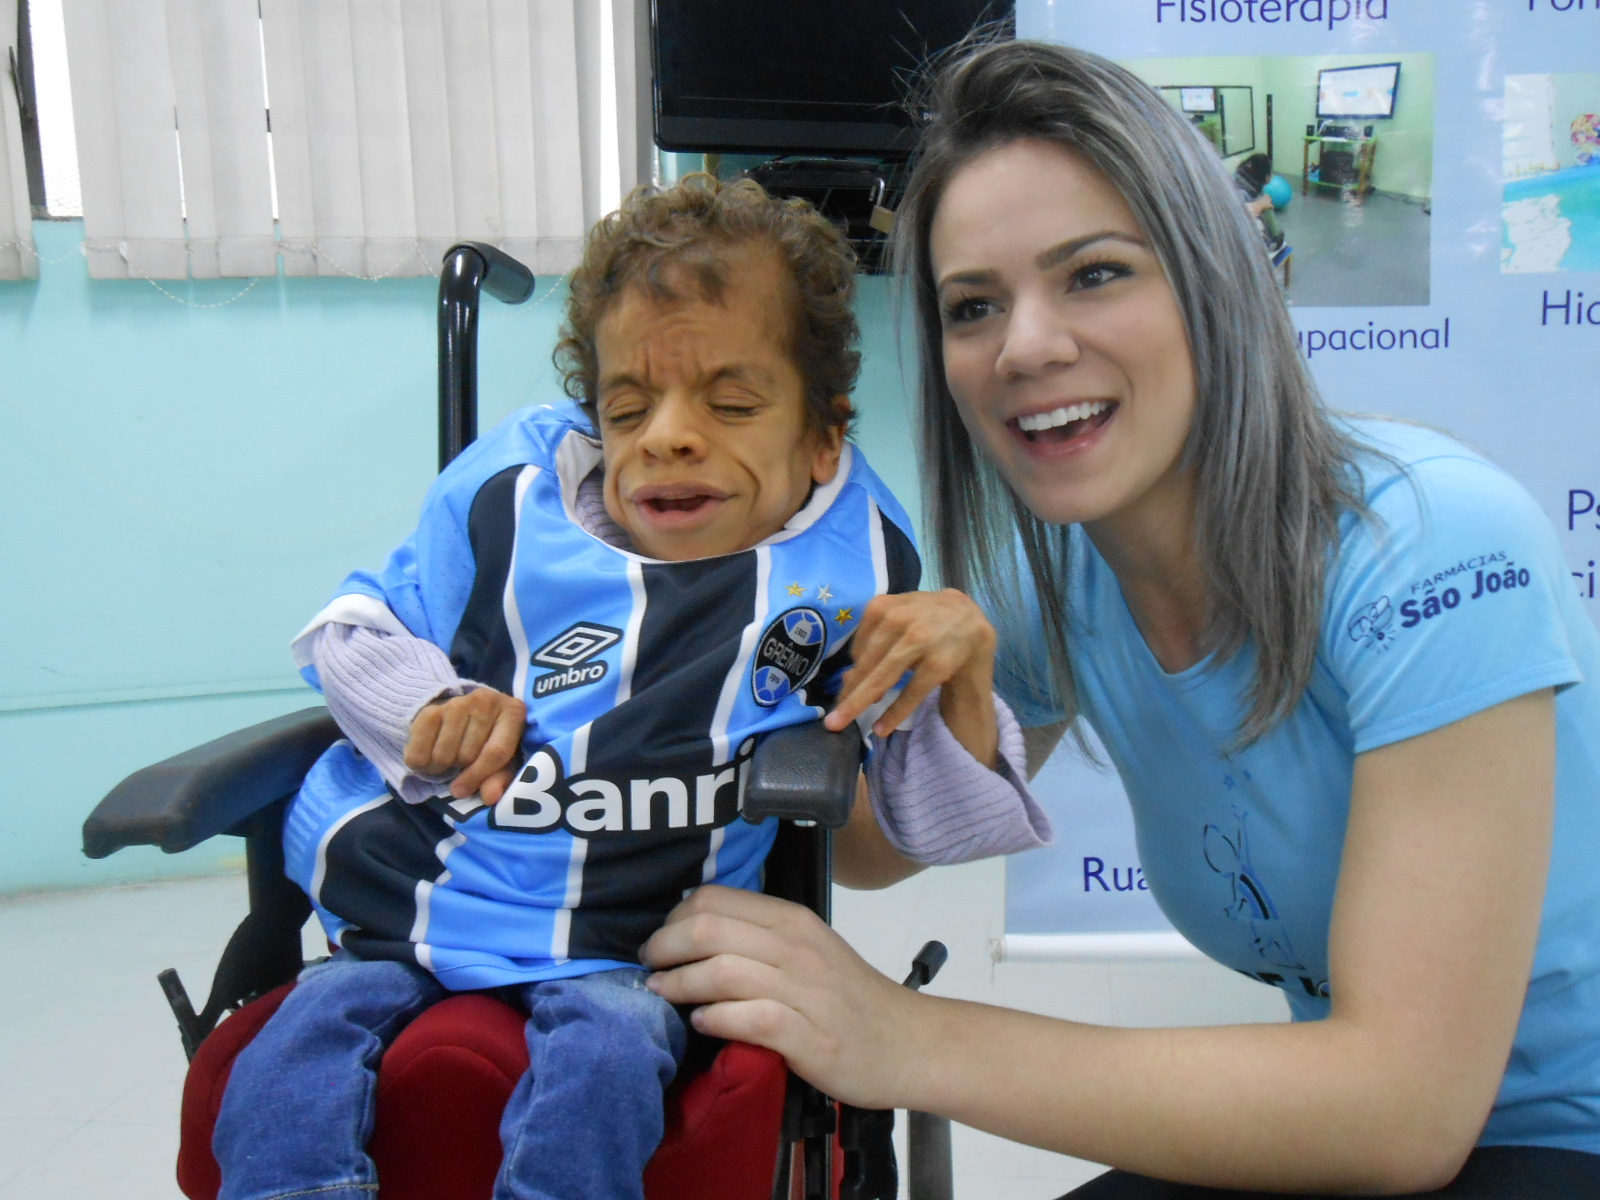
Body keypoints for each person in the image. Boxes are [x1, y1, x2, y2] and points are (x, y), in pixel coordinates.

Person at [642, 41, 1600, 1198]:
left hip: (1544, 1136)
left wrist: (903, 1039)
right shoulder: (1062, 577)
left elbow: (1402, 1112)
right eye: (973, 305)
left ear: (1212, 281)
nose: (1027, 346)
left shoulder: (1437, 545)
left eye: (1093, 274)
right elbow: (872, 851)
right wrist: (753, 617)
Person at [210, 175, 1049, 1200]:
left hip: (636, 946)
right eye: (626, 407)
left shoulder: (848, 571)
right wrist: (429, 711)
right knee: (281, 1072)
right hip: (423, 907)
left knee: (608, 1064)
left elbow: (936, 820)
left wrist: (959, 673)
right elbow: (355, 631)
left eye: (732, 403)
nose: (668, 435)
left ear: (823, 434)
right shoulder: (507, 503)